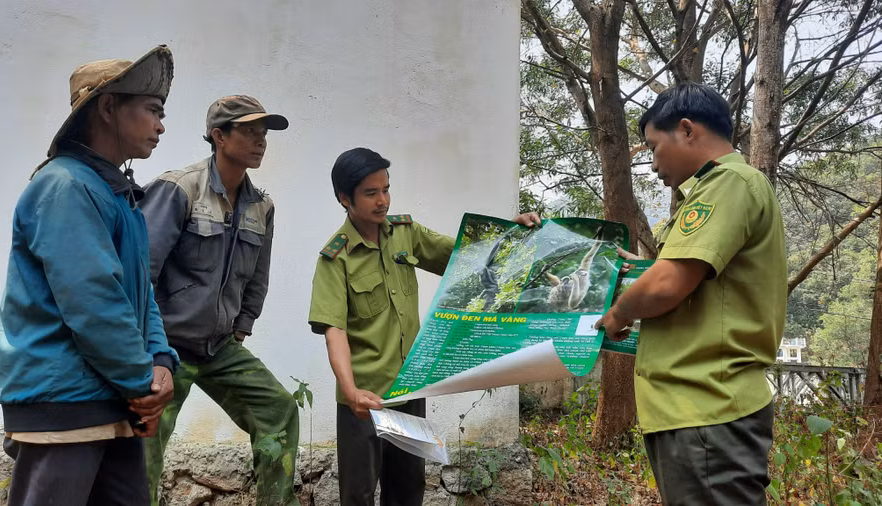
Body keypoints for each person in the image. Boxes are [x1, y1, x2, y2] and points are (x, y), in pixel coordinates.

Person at [0, 45, 180, 506]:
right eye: (152, 110)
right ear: (108, 107)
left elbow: (140, 295)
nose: (161, 125)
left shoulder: (116, 194)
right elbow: (94, 304)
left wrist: (161, 361)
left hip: (112, 398)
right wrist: (144, 385)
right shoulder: (65, 186)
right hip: (65, 405)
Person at [307, 147, 540, 506]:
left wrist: (512, 233)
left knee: (408, 490)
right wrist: (351, 391)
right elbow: (333, 330)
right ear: (344, 198)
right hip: (364, 400)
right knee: (358, 495)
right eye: (371, 193)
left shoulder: (406, 232)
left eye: (386, 189)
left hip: (409, 391)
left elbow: (464, 252)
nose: (382, 200)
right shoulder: (335, 259)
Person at [595, 82, 786, 505]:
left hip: (707, 408)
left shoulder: (729, 183)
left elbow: (668, 285)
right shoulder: (713, 190)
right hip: (695, 409)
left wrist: (617, 314)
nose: (652, 164)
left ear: (686, 130)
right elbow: (691, 281)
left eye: (653, 147)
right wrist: (641, 270)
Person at [140, 95, 299, 506]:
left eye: (263, 134)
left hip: (219, 348)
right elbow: (141, 272)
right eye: (249, 131)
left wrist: (242, 326)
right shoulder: (179, 189)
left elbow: (257, 279)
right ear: (218, 136)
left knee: (278, 410)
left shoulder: (262, 206)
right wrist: (151, 348)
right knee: (143, 445)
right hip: (166, 347)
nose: (260, 141)